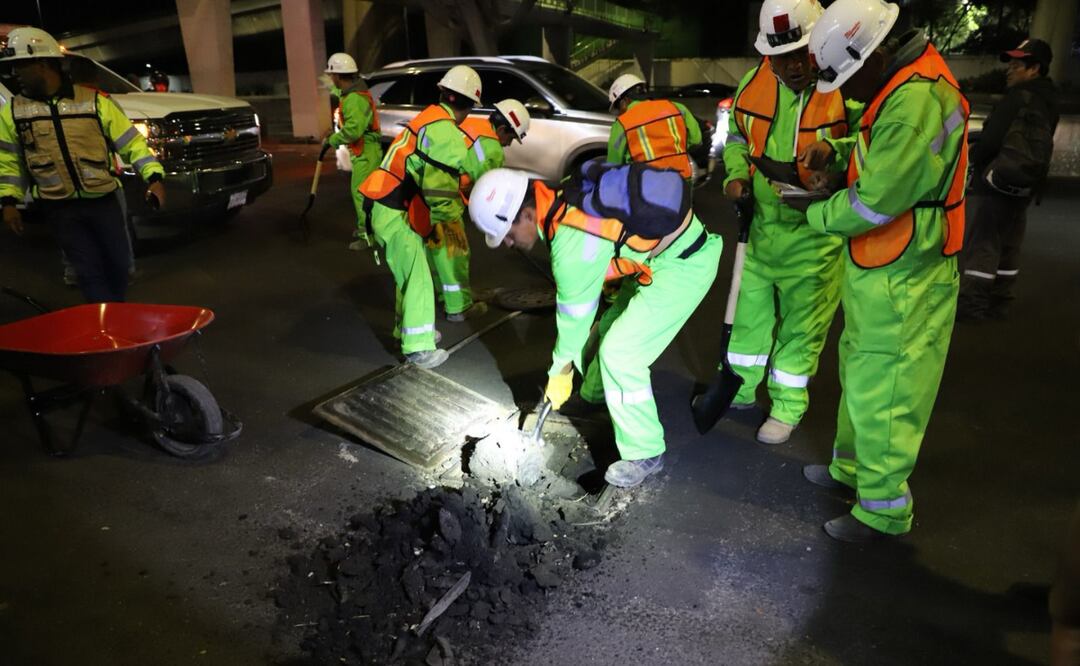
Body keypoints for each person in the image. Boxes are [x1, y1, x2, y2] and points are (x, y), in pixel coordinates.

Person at [796, 0, 969, 542]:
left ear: (873, 53)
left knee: (888, 390)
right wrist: (839, 148)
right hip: (886, 267)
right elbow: (888, 152)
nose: (848, 90)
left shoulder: (915, 100)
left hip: (908, 274)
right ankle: (852, 471)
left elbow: (878, 199)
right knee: (861, 376)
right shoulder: (905, 87)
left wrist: (815, 212)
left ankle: (883, 509)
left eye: (850, 75)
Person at [467, 166, 722, 488]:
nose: (508, 244)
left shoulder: (570, 241)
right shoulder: (561, 197)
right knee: (608, 328)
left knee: (622, 353)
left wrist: (559, 371)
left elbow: (574, 318)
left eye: (508, 234)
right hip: (651, 262)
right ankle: (594, 396)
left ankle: (645, 451)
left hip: (683, 267)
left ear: (527, 215)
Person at [721, 0, 852, 444]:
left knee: (802, 329)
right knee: (747, 321)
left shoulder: (845, 86)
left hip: (815, 238)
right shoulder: (753, 84)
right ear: (768, 55)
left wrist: (835, 168)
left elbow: (865, 147)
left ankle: (786, 407)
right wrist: (736, 175)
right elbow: (738, 136)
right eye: (783, 58)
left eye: (802, 54)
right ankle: (738, 390)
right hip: (760, 231)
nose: (795, 67)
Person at [0, 27, 164, 303]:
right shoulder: (13, 112)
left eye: (19, 66)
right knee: (87, 272)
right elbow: (9, 162)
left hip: (104, 202)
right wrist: (8, 202)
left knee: (120, 267)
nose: (14, 73)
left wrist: (154, 177)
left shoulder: (96, 102)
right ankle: (106, 326)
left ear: (42, 63)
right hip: (60, 208)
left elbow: (132, 144)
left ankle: (113, 315)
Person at [358, 65, 481, 368]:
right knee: (419, 278)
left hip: (384, 206)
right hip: (394, 210)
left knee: (409, 276)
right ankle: (418, 348)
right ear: (467, 105)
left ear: (443, 92)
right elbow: (440, 191)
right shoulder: (445, 132)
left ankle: (410, 330)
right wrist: (450, 225)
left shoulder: (428, 117)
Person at [957, 38, 1058, 321]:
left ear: (1034, 68)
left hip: (997, 182)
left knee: (984, 241)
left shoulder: (1017, 98)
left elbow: (990, 141)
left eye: (1016, 64)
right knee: (1011, 242)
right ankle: (1000, 300)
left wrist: (975, 161)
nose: (1009, 70)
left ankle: (972, 305)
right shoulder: (1050, 101)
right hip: (1026, 182)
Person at [423, 99, 530, 320]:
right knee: (456, 252)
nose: (509, 144)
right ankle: (459, 307)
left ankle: (445, 295)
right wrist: (500, 226)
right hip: (445, 198)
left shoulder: (472, 124)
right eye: (511, 137)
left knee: (437, 250)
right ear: (501, 129)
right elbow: (487, 191)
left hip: (427, 194)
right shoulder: (492, 148)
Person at [322, 53, 384, 253]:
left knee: (361, 195)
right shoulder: (354, 93)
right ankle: (367, 229)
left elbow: (353, 131)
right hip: (366, 150)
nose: (331, 79)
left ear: (339, 76)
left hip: (366, 152)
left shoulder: (354, 100)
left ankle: (368, 236)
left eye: (332, 75)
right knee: (365, 194)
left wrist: (331, 140)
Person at [606, 73, 702, 183]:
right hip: (682, 181)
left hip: (646, 186)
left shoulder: (622, 123)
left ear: (624, 101)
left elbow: (614, 163)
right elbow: (696, 140)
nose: (619, 113)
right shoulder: (677, 108)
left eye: (618, 109)